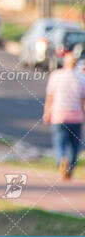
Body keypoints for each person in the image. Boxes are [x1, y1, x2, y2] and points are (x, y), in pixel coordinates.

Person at [43, 50, 85, 180]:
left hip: (59, 114)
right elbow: (83, 100)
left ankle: (62, 159)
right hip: (76, 116)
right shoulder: (81, 78)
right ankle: (70, 167)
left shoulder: (56, 76)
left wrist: (47, 113)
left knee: (59, 142)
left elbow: (50, 97)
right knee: (74, 145)